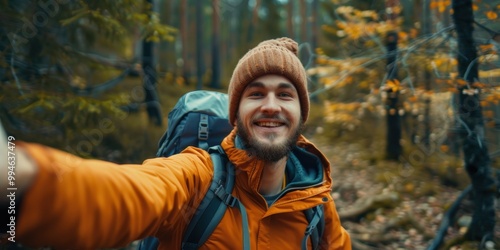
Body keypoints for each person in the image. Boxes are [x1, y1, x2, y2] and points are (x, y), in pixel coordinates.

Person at [0, 37, 351, 249]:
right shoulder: (198, 176)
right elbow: (129, 192)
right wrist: (20, 178)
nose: (271, 106)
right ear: (235, 114)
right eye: (255, 94)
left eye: (285, 95)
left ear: (301, 113)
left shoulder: (315, 201)